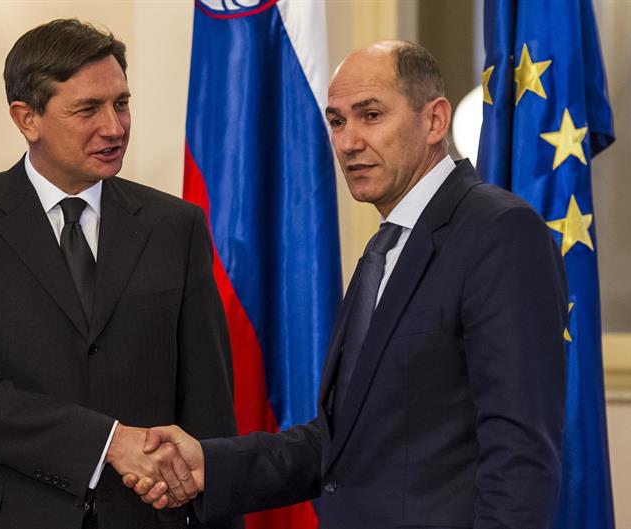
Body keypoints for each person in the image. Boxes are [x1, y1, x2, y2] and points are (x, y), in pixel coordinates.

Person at [126, 40, 568, 529]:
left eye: (371, 115)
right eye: (337, 122)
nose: (348, 142)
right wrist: (208, 465)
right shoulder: (387, 245)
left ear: (435, 120)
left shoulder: (499, 231)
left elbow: (520, 454)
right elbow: (342, 442)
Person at [0, 19, 239, 529]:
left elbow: (207, 402)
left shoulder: (176, 226)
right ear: (27, 118)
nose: (115, 127)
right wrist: (109, 442)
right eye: (88, 109)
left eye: (121, 103)